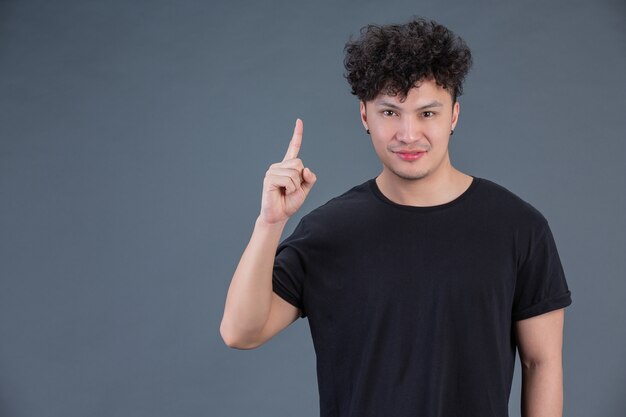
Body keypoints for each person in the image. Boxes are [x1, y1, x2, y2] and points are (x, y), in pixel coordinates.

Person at [220, 16, 572, 417]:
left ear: (453, 115)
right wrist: (269, 223)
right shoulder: (328, 232)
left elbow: (540, 362)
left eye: (427, 113)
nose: (408, 134)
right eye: (390, 113)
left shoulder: (519, 228)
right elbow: (240, 332)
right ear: (365, 117)